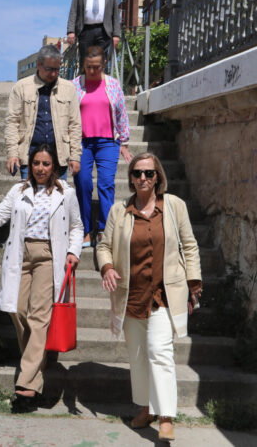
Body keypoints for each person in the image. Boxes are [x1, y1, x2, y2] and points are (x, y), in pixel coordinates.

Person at [0, 144, 83, 399]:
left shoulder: (66, 193)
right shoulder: (18, 190)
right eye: (36, 163)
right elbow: (0, 216)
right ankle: (40, 357)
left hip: (48, 257)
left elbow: (77, 226)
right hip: (20, 254)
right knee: (17, 309)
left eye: (46, 164)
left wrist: (73, 251)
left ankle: (28, 381)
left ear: (55, 167)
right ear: (30, 164)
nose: (40, 168)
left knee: (39, 315)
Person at [96, 153, 202, 442]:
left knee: (159, 351)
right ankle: (145, 408)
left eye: (149, 173)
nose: (143, 178)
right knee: (138, 356)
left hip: (163, 295)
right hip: (131, 295)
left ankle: (166, 415)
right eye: (138, 173)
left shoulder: (174, 207)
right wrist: (106, 267)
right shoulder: (120, 211)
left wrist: (194, 281)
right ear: (130, 178)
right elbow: (103, 245)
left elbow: (190, 246)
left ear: (158, 177)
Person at [72, 46, 132, 248]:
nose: (92, 71)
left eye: (96, 67)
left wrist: (124, 142)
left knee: (106, 184)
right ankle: (85, 230)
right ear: (83, 65)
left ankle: (104, 230)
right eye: (89, 67)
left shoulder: (113, 85)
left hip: (108, 142)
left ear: (104, 64)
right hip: (81, 143)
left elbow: (122, 114)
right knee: (83, 184)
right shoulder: (74, 86)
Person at [5, 45, 82, 181]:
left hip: (58, 158)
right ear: (38, 65)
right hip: (30, 157)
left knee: (57, 200)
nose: (53, 73)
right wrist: (12, 153)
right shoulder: (21, 87)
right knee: (30, 200)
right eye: (49, 69)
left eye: (57, 69)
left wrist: (75, 156)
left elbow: (75, 124)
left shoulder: (69, 89)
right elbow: (12, 122)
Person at [66, 0, 121, 69]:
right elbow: (73, 11)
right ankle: (84, 85)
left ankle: (101, 86)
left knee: (101, 61)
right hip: (85, 30)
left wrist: (116, 34)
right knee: (85, 62)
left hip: (104, 31)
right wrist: (71, 31)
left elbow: (115, 13)